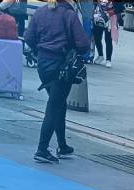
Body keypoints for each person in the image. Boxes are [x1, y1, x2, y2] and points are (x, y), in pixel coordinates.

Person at [24, 0, 89, 163]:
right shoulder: (69, 15)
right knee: (54, 106)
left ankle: (62, 145)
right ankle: (42, 149)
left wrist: (40, 49)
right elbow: (83, 44)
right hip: (61, 66)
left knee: (59, 104)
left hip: (43, 65)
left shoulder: (40, 12)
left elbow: (28, 37)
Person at [90, 0, 114, 65]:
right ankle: (100, 55)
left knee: (108, 39)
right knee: (97, 37)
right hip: (98, 17)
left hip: (110, 18)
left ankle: (108, 59)